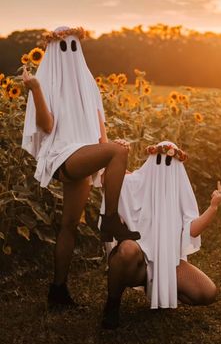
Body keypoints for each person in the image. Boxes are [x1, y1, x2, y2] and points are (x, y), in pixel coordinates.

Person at [21, 26, 140, 310]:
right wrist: (35, 89)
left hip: (84, 157)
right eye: (64, 47)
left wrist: (113, 162)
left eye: (75, 46)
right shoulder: (46, 81)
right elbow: (47, 126)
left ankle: (58, 289)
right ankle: (110, 220)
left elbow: (101, 136)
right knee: (118, 150)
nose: (70, 53)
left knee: (69, 226)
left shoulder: (88, 84)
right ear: (53, 51)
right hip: (64, 156)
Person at [101, 141, 221, 329]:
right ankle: (112, 304)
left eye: (168, 163)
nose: (163, 167)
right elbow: (106, 180)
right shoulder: (134, 182)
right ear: (150, 161)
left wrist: (213, 207)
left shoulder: (179, 194)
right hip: (137, 261)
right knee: (127, 248)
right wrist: (119, 151)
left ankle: (163, 286)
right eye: (158, 160)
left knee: (207, 292)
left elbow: (192, 228)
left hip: (168, 263)